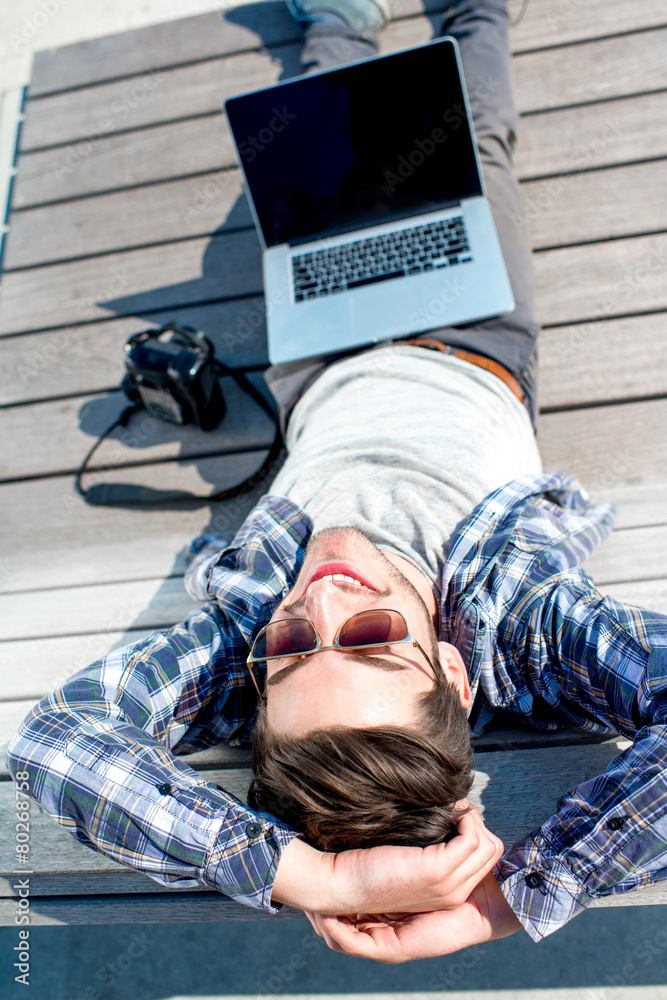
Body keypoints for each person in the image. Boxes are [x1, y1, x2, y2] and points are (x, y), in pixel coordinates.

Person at [8, 0, 667, 965]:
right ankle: (476, 11)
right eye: (370, 639)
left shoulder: (239, 641)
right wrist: (516, 896)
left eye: (290, 646)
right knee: (466, 135)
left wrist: (300, 873)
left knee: (309, 158)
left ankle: (341, 22)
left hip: (319, 360)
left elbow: (54, 746)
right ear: (450, 666)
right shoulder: (520, 626)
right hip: (469, 333)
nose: (318, 599)